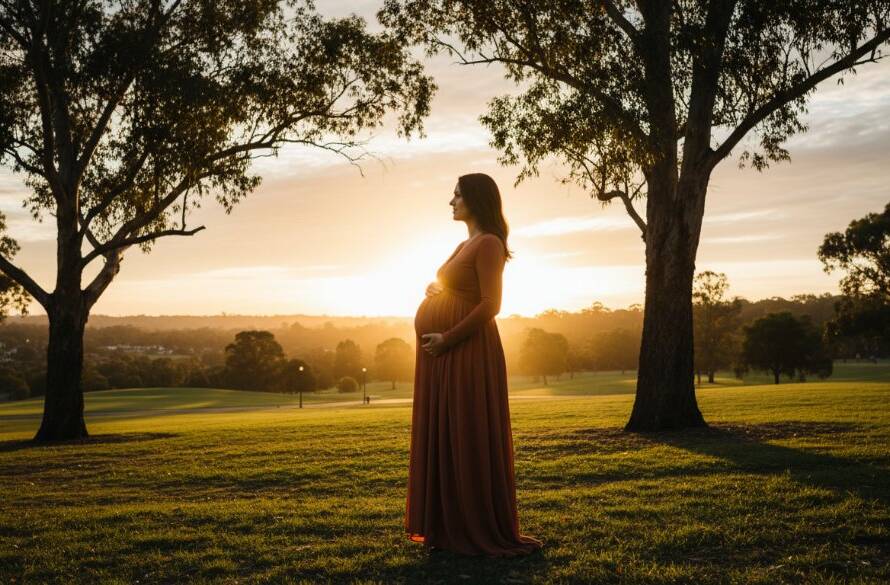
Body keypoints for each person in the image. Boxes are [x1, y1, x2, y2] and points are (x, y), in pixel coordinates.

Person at [405, 172, 544, 557]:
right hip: (444, 355)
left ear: (476, 200)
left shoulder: (489, 243)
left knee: (464, 431)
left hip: (466, 352)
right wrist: (435, 289)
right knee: (447, 432)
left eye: (457, 195)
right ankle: (447, 525)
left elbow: (490, 304)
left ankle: (473, 525)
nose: (451, 202)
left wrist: (448, 338)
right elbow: (456, 287)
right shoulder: (463, 244)